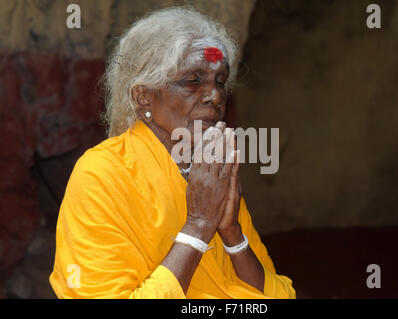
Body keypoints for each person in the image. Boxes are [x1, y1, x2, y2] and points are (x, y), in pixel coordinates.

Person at [49, 7, 296, 299]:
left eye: (220, 81)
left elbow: (280, 295)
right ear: (143, 96)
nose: (215, 96)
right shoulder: (101, 174)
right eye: (193, 81)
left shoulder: (211, 171)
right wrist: (199, 226)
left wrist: (231, 234)